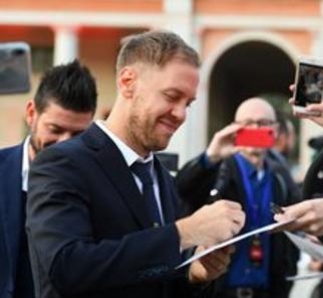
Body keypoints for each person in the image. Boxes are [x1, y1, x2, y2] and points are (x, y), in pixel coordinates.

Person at [26, 31, 245, 298]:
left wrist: (194, 274)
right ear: (128, 82)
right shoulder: (62, 162)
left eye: (188, 103)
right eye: (171, 96)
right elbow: (67, 268)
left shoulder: (161, 177)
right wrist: (184, 232)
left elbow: (154, 277)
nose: (181, 114)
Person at [176, 98, 300, 298]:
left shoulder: (281, 179)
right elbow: (182, 190)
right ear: (234, 128)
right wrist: (211, 156)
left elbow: (293, 230)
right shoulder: (217, 170)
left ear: (275, 131)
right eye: (247, 123)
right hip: (221, 291)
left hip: (269, 292)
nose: (255, 128)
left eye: (263, 123)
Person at [0, 60, 97, 298]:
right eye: (55, 129)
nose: (65, 144)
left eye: (77, 134)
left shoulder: (100, 186)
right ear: (31, 113)